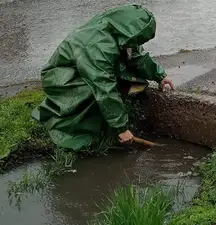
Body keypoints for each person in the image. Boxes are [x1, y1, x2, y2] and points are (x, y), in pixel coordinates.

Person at [32, 4, 174, 151]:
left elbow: (136, 56)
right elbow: (104, 87)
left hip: (86, 70)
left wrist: (160, 76)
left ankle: (108, 118)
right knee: (92, 92)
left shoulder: (119, 30)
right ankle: (76, 131)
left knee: (128, 80)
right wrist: (121, 128)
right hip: (61, 78)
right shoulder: (96, 46)